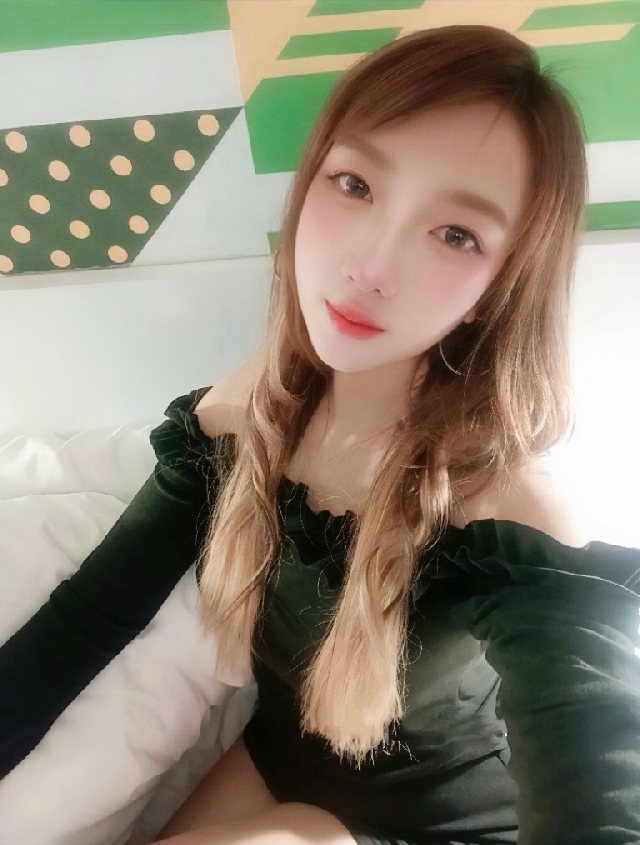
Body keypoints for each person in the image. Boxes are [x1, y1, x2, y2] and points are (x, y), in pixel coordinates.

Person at [1, 23, 639, 845]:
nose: (371, 265)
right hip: (279, 762)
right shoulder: (248, 410)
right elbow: (91, 616)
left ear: (499, 286)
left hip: (442, 823)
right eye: (355, 184)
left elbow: (598, 779)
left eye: (456, 234)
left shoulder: (508, 515)